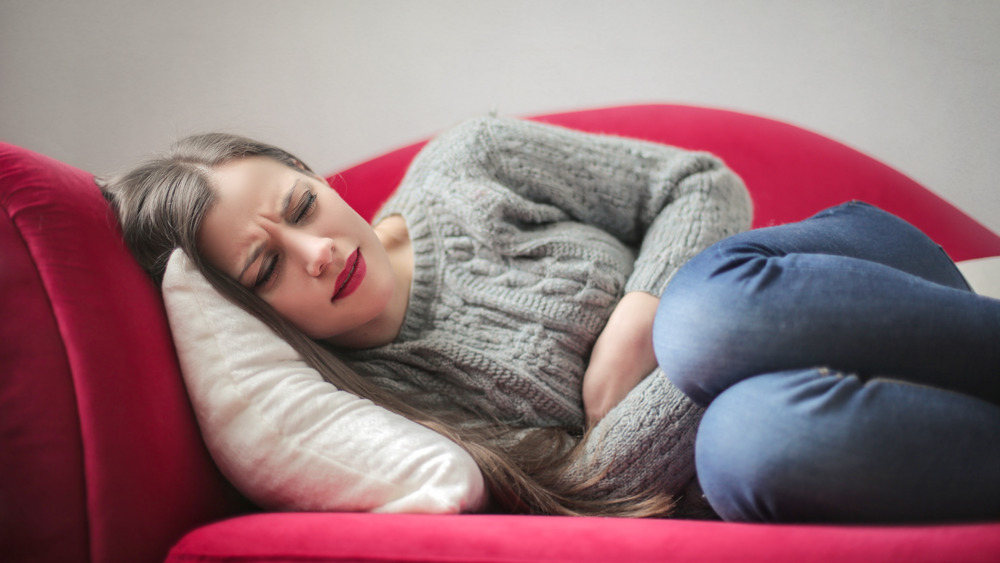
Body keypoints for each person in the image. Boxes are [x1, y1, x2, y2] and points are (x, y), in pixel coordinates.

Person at [99, 116, 999, 522]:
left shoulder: (469, 162)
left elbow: (696, 182)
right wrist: (643, 407)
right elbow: (582, 490)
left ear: (318, 177)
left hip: (838, 284)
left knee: (708, 318)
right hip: (801, 418)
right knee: (749, 450)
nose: (318, 253)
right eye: (267, 268)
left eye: (299, 208)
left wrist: (639, 323)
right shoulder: (375, 413)